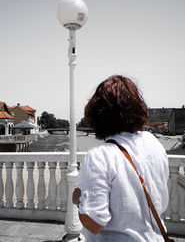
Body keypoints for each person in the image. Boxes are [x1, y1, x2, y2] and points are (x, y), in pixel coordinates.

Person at [72, 75, 169, 242]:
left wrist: (78, 201)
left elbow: (94, 222)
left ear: (98, 115)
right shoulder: (154, 144)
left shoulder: (99, 156)